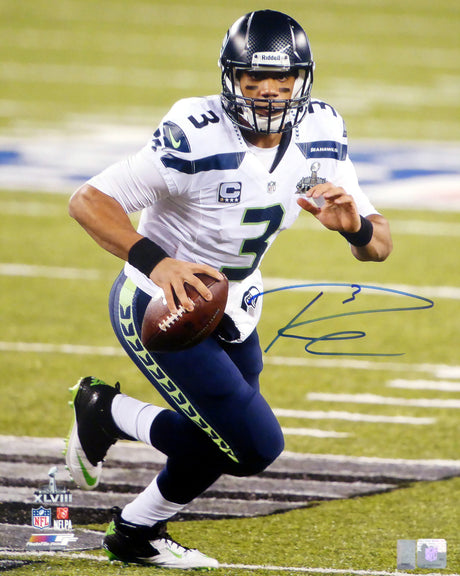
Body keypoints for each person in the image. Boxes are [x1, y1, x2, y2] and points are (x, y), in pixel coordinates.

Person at [65, 9, 392, 570]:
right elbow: (89, 201)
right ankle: (110, 417)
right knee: (253, 445)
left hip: (238, 301)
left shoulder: (321, 131)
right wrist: (159, 263)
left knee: (222, 436)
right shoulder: (196, 133)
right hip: (162, 301)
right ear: (231, 78)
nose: (268, 92)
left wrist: (354, 228)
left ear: (303, 81)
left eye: (283, 79)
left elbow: (378, 246)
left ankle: (135, 524)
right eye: (253, 78)